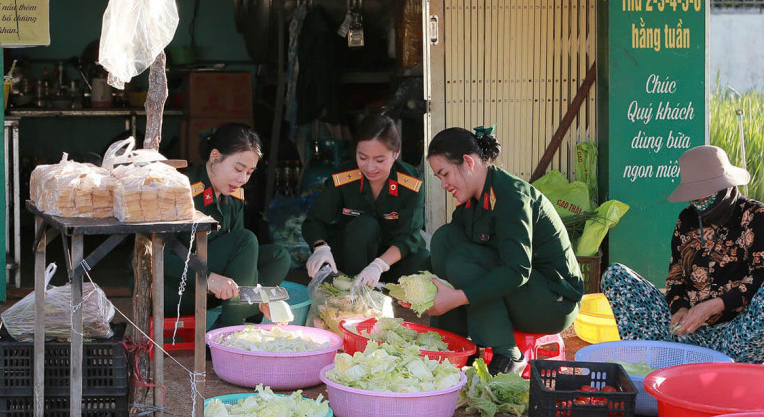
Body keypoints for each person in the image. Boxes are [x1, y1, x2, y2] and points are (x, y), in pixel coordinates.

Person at [600, 145, 764, 368]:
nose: (699, 206)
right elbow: (676, 277)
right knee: (615, 275)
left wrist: (714, 306)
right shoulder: (686, 219)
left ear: (725, 187)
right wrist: (680, 308)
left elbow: (762, 276)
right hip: (688, 339)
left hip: (738, 338)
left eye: (705, 199)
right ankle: (652, 367)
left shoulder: (755, 215)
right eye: (694, 201)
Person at [425, 126, 584, 374]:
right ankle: (454, 345)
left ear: (468, 162)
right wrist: (420, 290)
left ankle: (508, 354)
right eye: (439, 178)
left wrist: (458, 297)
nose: (444, 184)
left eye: (445, 174)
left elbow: (517, 270)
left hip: (551, 304)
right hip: (523, 293)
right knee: (444, 239)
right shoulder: (473, 200)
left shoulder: (512, 197)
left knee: (462, 260)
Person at [164, 123, 291, 327]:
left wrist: (260, 296)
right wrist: (207, 277)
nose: (242, 179)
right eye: (238, 169)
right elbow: (156, 256)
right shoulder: (182, 191)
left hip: (217, 287)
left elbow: (243, 259)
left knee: (279, 257)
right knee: (246, 239)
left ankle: (245, 312)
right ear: (215, 157)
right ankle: (233, 329)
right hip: (175, 287)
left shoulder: (233, 195)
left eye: (249, 172)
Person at [302, 113, 429, 286]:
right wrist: (320, 247)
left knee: (422, 259)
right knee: (364, 226)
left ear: (396, 153)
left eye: (379, 160)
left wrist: (378, 265)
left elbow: (408, 237)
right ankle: (353, 290)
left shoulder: (411, 183)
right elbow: (314, 220)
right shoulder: (344, 177)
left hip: (391, 260)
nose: (370, 167)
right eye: (362, 157)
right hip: (353, 256)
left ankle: (385, 290)